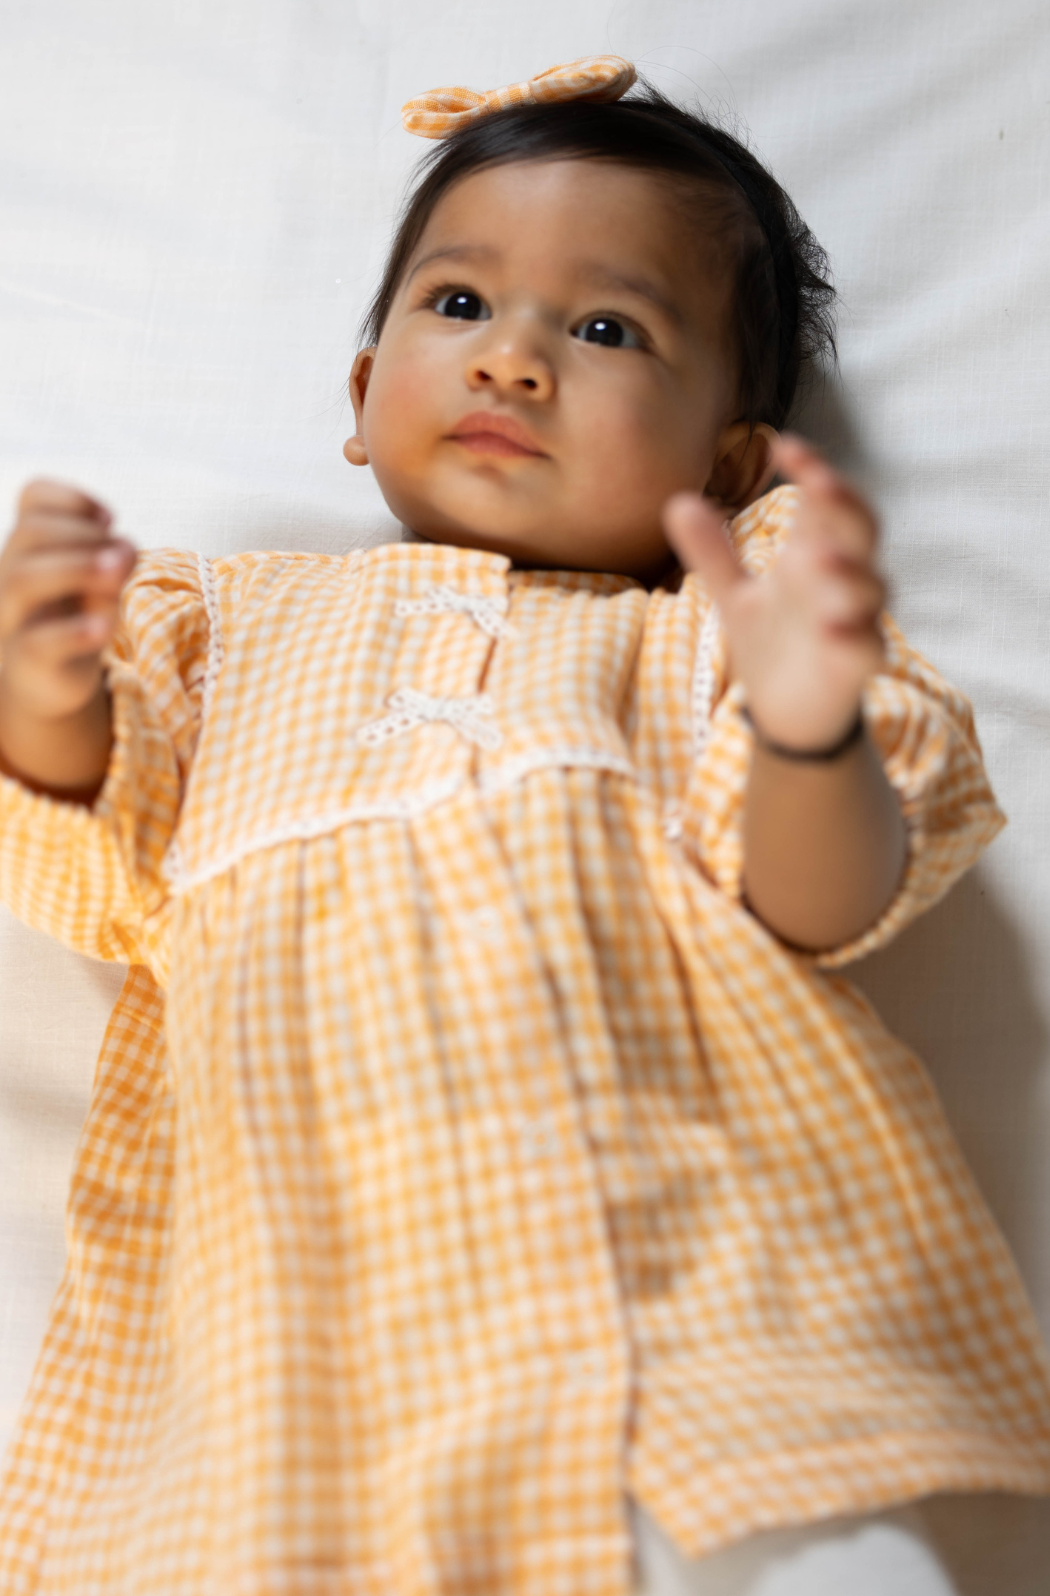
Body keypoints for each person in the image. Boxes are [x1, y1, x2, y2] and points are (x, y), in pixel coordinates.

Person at [0, 52, 1047, 1596]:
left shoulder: (714, 638)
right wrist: (46, 681)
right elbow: (95, 842)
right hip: (303, 1379)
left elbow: (823, 901)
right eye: (458, 306)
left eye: (607, 327)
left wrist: (807, 726)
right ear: (361, 400)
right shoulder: (229, 628)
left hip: (700, 1337)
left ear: (730, 461)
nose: (513, 361)